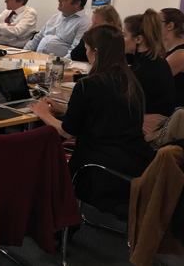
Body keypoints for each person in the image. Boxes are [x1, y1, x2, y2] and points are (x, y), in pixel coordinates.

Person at [29, 25, 154, 212]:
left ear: (95, 52)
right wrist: (64, 110)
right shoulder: (130, 81)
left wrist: (44, 113)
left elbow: (67, 131)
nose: (85, 53)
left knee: (43, 160)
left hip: (97, 169)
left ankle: (59, 222)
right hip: (136, 162)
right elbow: (106, 114)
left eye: (87, 49)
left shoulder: (88, 85)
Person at [123, 9, 175, 126]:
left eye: (124, 35)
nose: (122, 40)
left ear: (138, 39)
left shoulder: (148, 67)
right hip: (148, 120)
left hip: (151, 126)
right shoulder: (148, 61)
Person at [23, 0, 90, 58]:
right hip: (37, 59)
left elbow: (74, 51)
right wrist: (23, 53)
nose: (59, 0)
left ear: (77, 4)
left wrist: (61, 66)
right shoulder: (55, 17)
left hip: (58, 64)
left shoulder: (84, 23)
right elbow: (38, 38)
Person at [160, 7, 184, 108]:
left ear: (170, 26)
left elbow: (155, 79)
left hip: (174, 113)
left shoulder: (181, 53)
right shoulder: (166, 50)